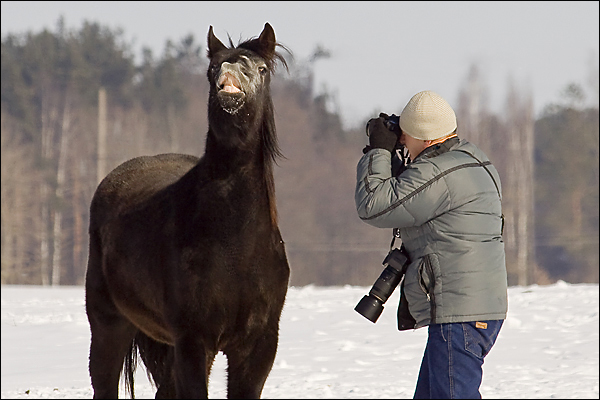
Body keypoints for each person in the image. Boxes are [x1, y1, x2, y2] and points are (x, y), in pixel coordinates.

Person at [354, 90, 508, 399]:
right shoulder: (472, 159)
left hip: (459, 312)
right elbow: (412, 194)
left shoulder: (439, 172)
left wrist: (378, 151)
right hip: (475, 307)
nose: (401, 140)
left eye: (405, 134)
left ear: (424, 138)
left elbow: (374, 204)